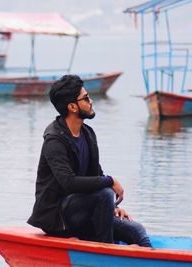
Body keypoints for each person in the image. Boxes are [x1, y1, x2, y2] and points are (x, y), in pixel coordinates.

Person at [27, 74, 152, 247]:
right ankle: (107, 251)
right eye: (85, 98)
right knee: (105, 193)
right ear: (72, 107)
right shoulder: (54, 140)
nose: (91, 101)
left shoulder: (87, 133)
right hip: (58, 218)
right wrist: (110, 181)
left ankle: (149, 258)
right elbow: (69, 183)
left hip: (85, 211)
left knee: (136, 230)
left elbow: (95, 175)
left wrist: (112, 208)